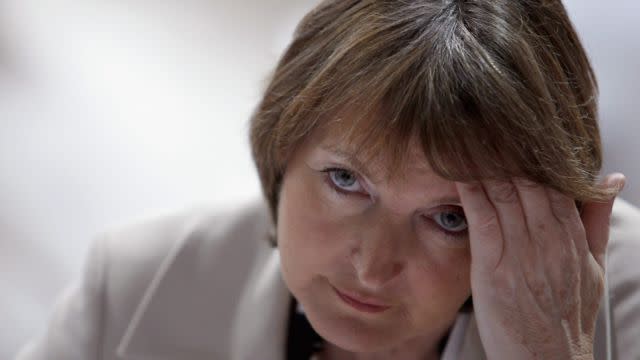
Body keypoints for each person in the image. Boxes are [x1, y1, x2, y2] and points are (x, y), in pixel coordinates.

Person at [15, 1, 640, 359]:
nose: (372, 268)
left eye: (448, 218)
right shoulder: (137, 288)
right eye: (345, 180)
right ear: (282, 144)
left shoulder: (629, 299)